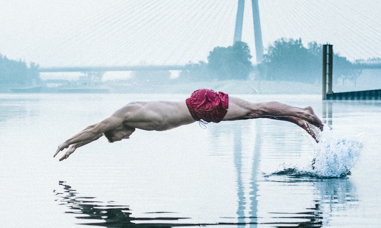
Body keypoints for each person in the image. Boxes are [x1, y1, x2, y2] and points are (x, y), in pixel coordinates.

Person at [54, 88, 324, 161]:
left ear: (116, 129)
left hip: (200, 106)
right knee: (254, 114)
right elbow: (96, 132)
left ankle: (303, 111)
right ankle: (298, 119)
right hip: (200, 109)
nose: (125, 138)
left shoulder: (123, 114)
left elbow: (95, 128)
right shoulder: (126, 118)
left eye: (119, 138)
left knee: (256, 109)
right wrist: (77, 147)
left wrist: (67, 141)